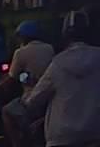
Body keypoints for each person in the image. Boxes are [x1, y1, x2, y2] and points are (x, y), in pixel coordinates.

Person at [19, 10, 100, 147]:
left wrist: (26, 98)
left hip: (62, 137)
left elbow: (34, 100)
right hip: (95, 133)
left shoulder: (58, 63)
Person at [0, 21, 55, 147]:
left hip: (31, 99)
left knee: (6, 111)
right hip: (49, 98)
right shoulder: (49, 48)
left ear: (23, 37)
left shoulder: (20, 53)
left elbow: (11, 79)